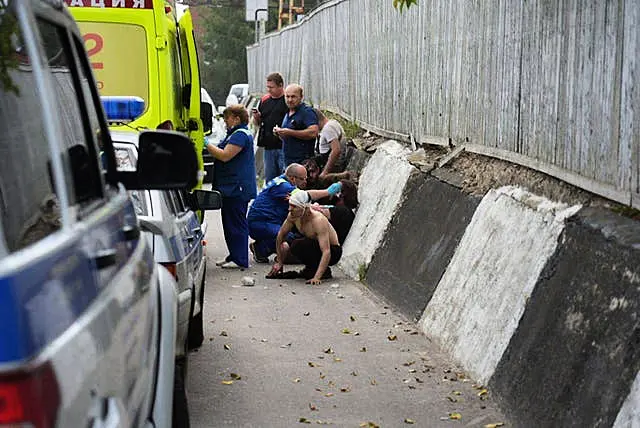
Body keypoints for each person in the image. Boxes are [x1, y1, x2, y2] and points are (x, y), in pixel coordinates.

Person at [247, 164, 343, 263]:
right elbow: (305, 196)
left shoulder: (282, 182)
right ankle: (261, 249)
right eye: (302, 179)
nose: (305, 181)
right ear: (293, 178)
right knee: (289, 237)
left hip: (268, 221)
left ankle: (264, 246)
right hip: (261, 223)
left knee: (291, 233)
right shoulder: (283, 186)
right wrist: (328, 192)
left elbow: (303, 204)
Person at [205, 104, 257, 268]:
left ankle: (240, 259)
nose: (225, 121)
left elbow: (225, 155)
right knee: (229, 223)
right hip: (230, 187)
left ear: (236, 118)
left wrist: (206, 144)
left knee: (236, 223)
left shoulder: (240, 135)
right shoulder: (234, 134)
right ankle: (234, 255)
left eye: (227, 118)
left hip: (236, 187)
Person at [269, 189, 343, 285]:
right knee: (294, 244)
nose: (289, 209)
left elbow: (326, 251)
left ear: (304, 208)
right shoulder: (293, 215)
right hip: (315, 246)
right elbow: (280, 235)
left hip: (333, 251)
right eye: (290, 205)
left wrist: (317, 277)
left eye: (294, 206)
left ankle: (321, 271)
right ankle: (311, 268)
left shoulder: (318, 220)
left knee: (299, 244)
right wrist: (279, 262)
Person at [253, 72, 288, 182]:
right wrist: (257, 117)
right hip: (268, 146)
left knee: (284, 177)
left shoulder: (287, 100)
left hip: (283, 145)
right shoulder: (264, 100)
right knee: (271, 179)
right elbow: (258, 123)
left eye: (271, 87)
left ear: (281, 85)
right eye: (268, 87)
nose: (269, 90)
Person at [273, 84, 318, 167]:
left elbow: (313, 132)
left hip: (302, 163)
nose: (290, 100)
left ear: (301, 97)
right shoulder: (288, 113)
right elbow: (288, 137)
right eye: (287, 96)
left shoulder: (307, 112)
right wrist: (280, 133)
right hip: (287, 162)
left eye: (293, 97)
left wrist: (289, 132)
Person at [314, 108, 348, 175]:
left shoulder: (328, 128)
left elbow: (336, 150)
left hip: (333, 169)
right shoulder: (330, 124)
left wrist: (325, 172)